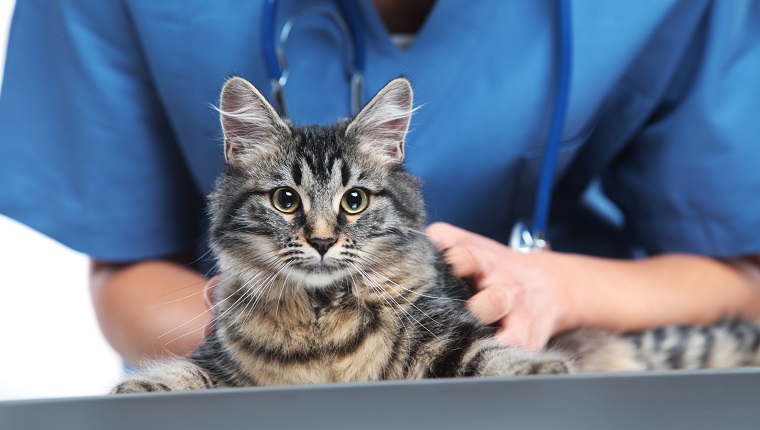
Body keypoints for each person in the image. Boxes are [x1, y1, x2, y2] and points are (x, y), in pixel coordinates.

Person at [1, 0, 759, 366]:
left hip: (565, 370)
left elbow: (741, 273)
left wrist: (556, 287)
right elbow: (121, 261)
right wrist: (266, 350)